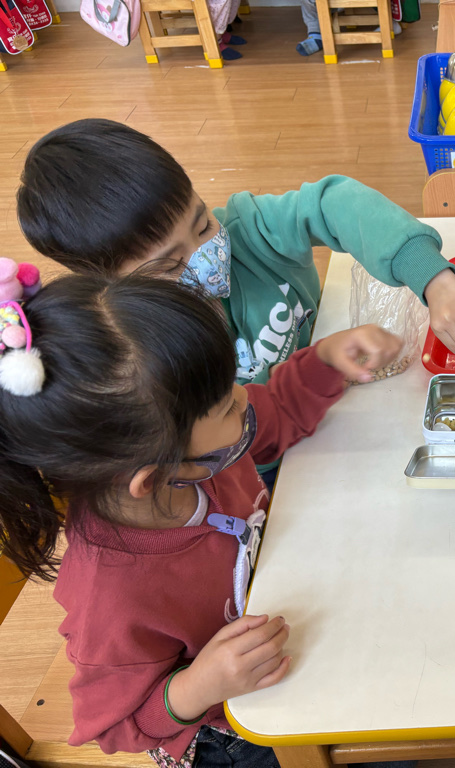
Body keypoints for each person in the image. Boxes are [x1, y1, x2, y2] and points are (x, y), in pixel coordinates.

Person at [0, 273, 415, 768]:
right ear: (155, 477)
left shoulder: (196, 449)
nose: (244, 397)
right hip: (229, 728)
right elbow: (111, 728)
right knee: (392, 741)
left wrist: (326, 360)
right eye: (225, 405)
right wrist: (198, 686)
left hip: (287, 614)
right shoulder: (110, 598)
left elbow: (276, 411)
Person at [16, 119, 455, 381]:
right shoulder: (135, 345)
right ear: (110, 285)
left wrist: (434, 278)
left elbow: (336, 204)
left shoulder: (250, 231)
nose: (205, 253)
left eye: (202, 223)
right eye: (170, 264)